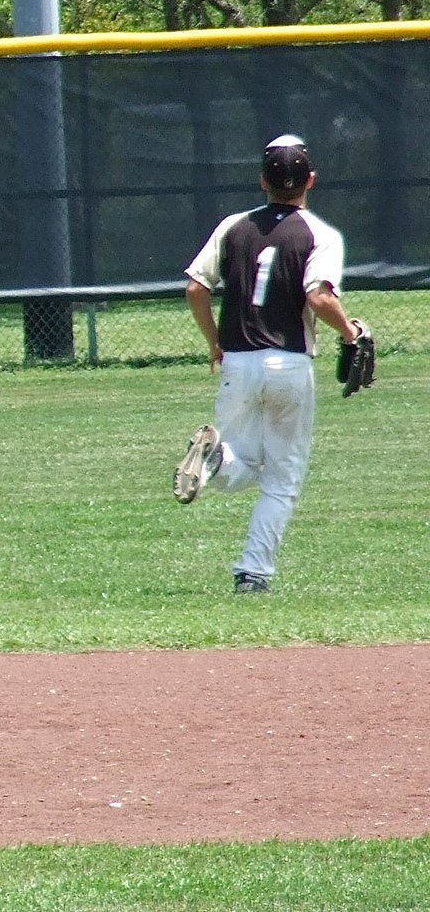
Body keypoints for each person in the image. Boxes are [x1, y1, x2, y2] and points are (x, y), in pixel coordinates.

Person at [172, 134, 362, 592]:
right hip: (289, 364)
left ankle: (214, 459)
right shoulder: (320, 234)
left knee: (238, 468)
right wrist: (350, 332)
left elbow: (197, 288)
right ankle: (253, 572)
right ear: (310, 180)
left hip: (237, 361)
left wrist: (215, 343)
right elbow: (318, 297)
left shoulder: (233, 226)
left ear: (262, 180)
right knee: (282, 477)